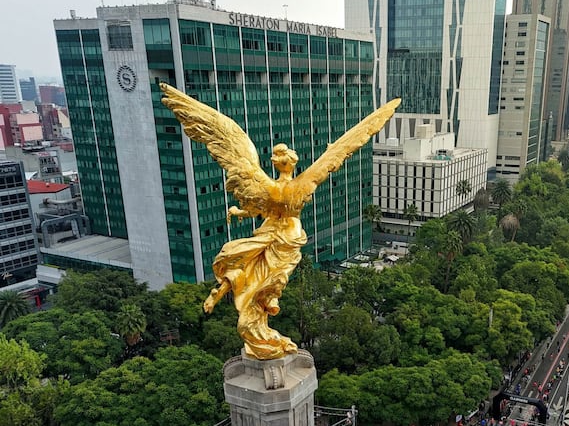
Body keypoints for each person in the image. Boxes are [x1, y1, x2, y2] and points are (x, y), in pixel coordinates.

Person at [160, 84, 399, 360]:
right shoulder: (298, 184)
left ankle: (239, 299)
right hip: (283, 234)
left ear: (280, 164)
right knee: (255, 270)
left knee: (255, 270)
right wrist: (241, 212)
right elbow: (342, 147)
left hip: (278, 236)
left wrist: (241, 212)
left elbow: (259, 206)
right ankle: (246, 306)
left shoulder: (270, 186)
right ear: (292, 165)